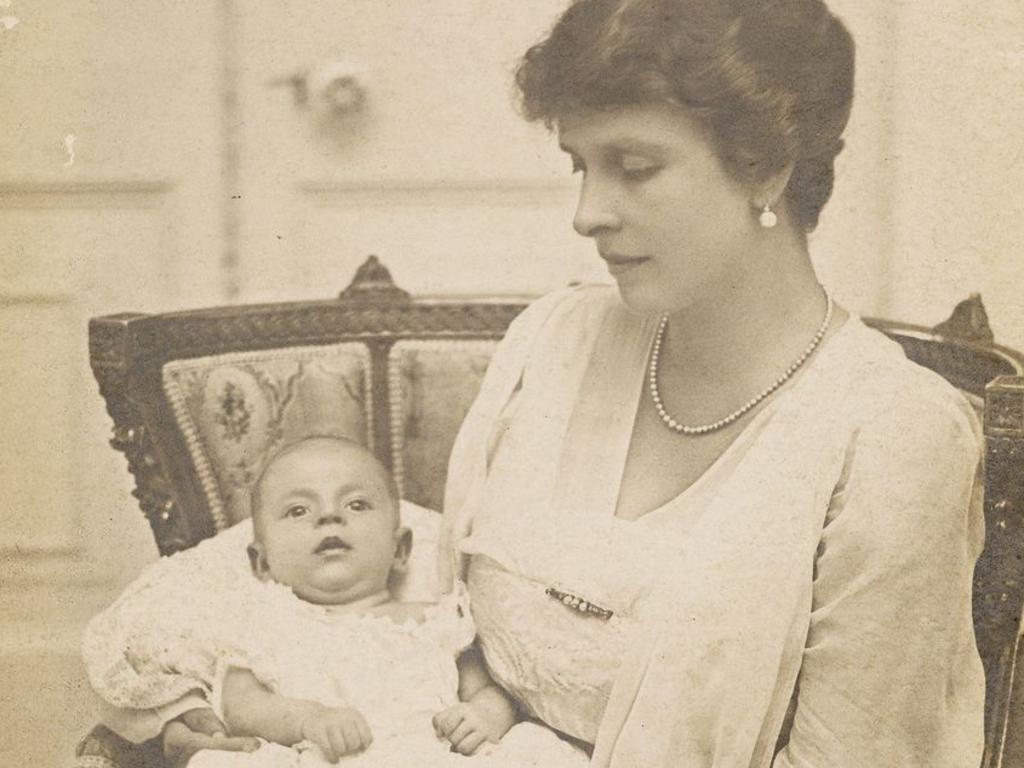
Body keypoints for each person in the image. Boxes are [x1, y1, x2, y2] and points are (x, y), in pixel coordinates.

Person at [84, 1, 986, 766]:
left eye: (634, 167)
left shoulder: (891, 438)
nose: (587, 213)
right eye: (578, 165)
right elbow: (409, 624)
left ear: (771, 166)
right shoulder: (555, 343)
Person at [97, 436, 586, 767]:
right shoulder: (265, 623)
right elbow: (241, 706)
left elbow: (492, 689)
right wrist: (309, 718)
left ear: (400, 550)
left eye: (356, 505)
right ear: (262, 561)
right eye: (298, 510)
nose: (329, 517)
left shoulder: (435, 620)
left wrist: (484, 718)